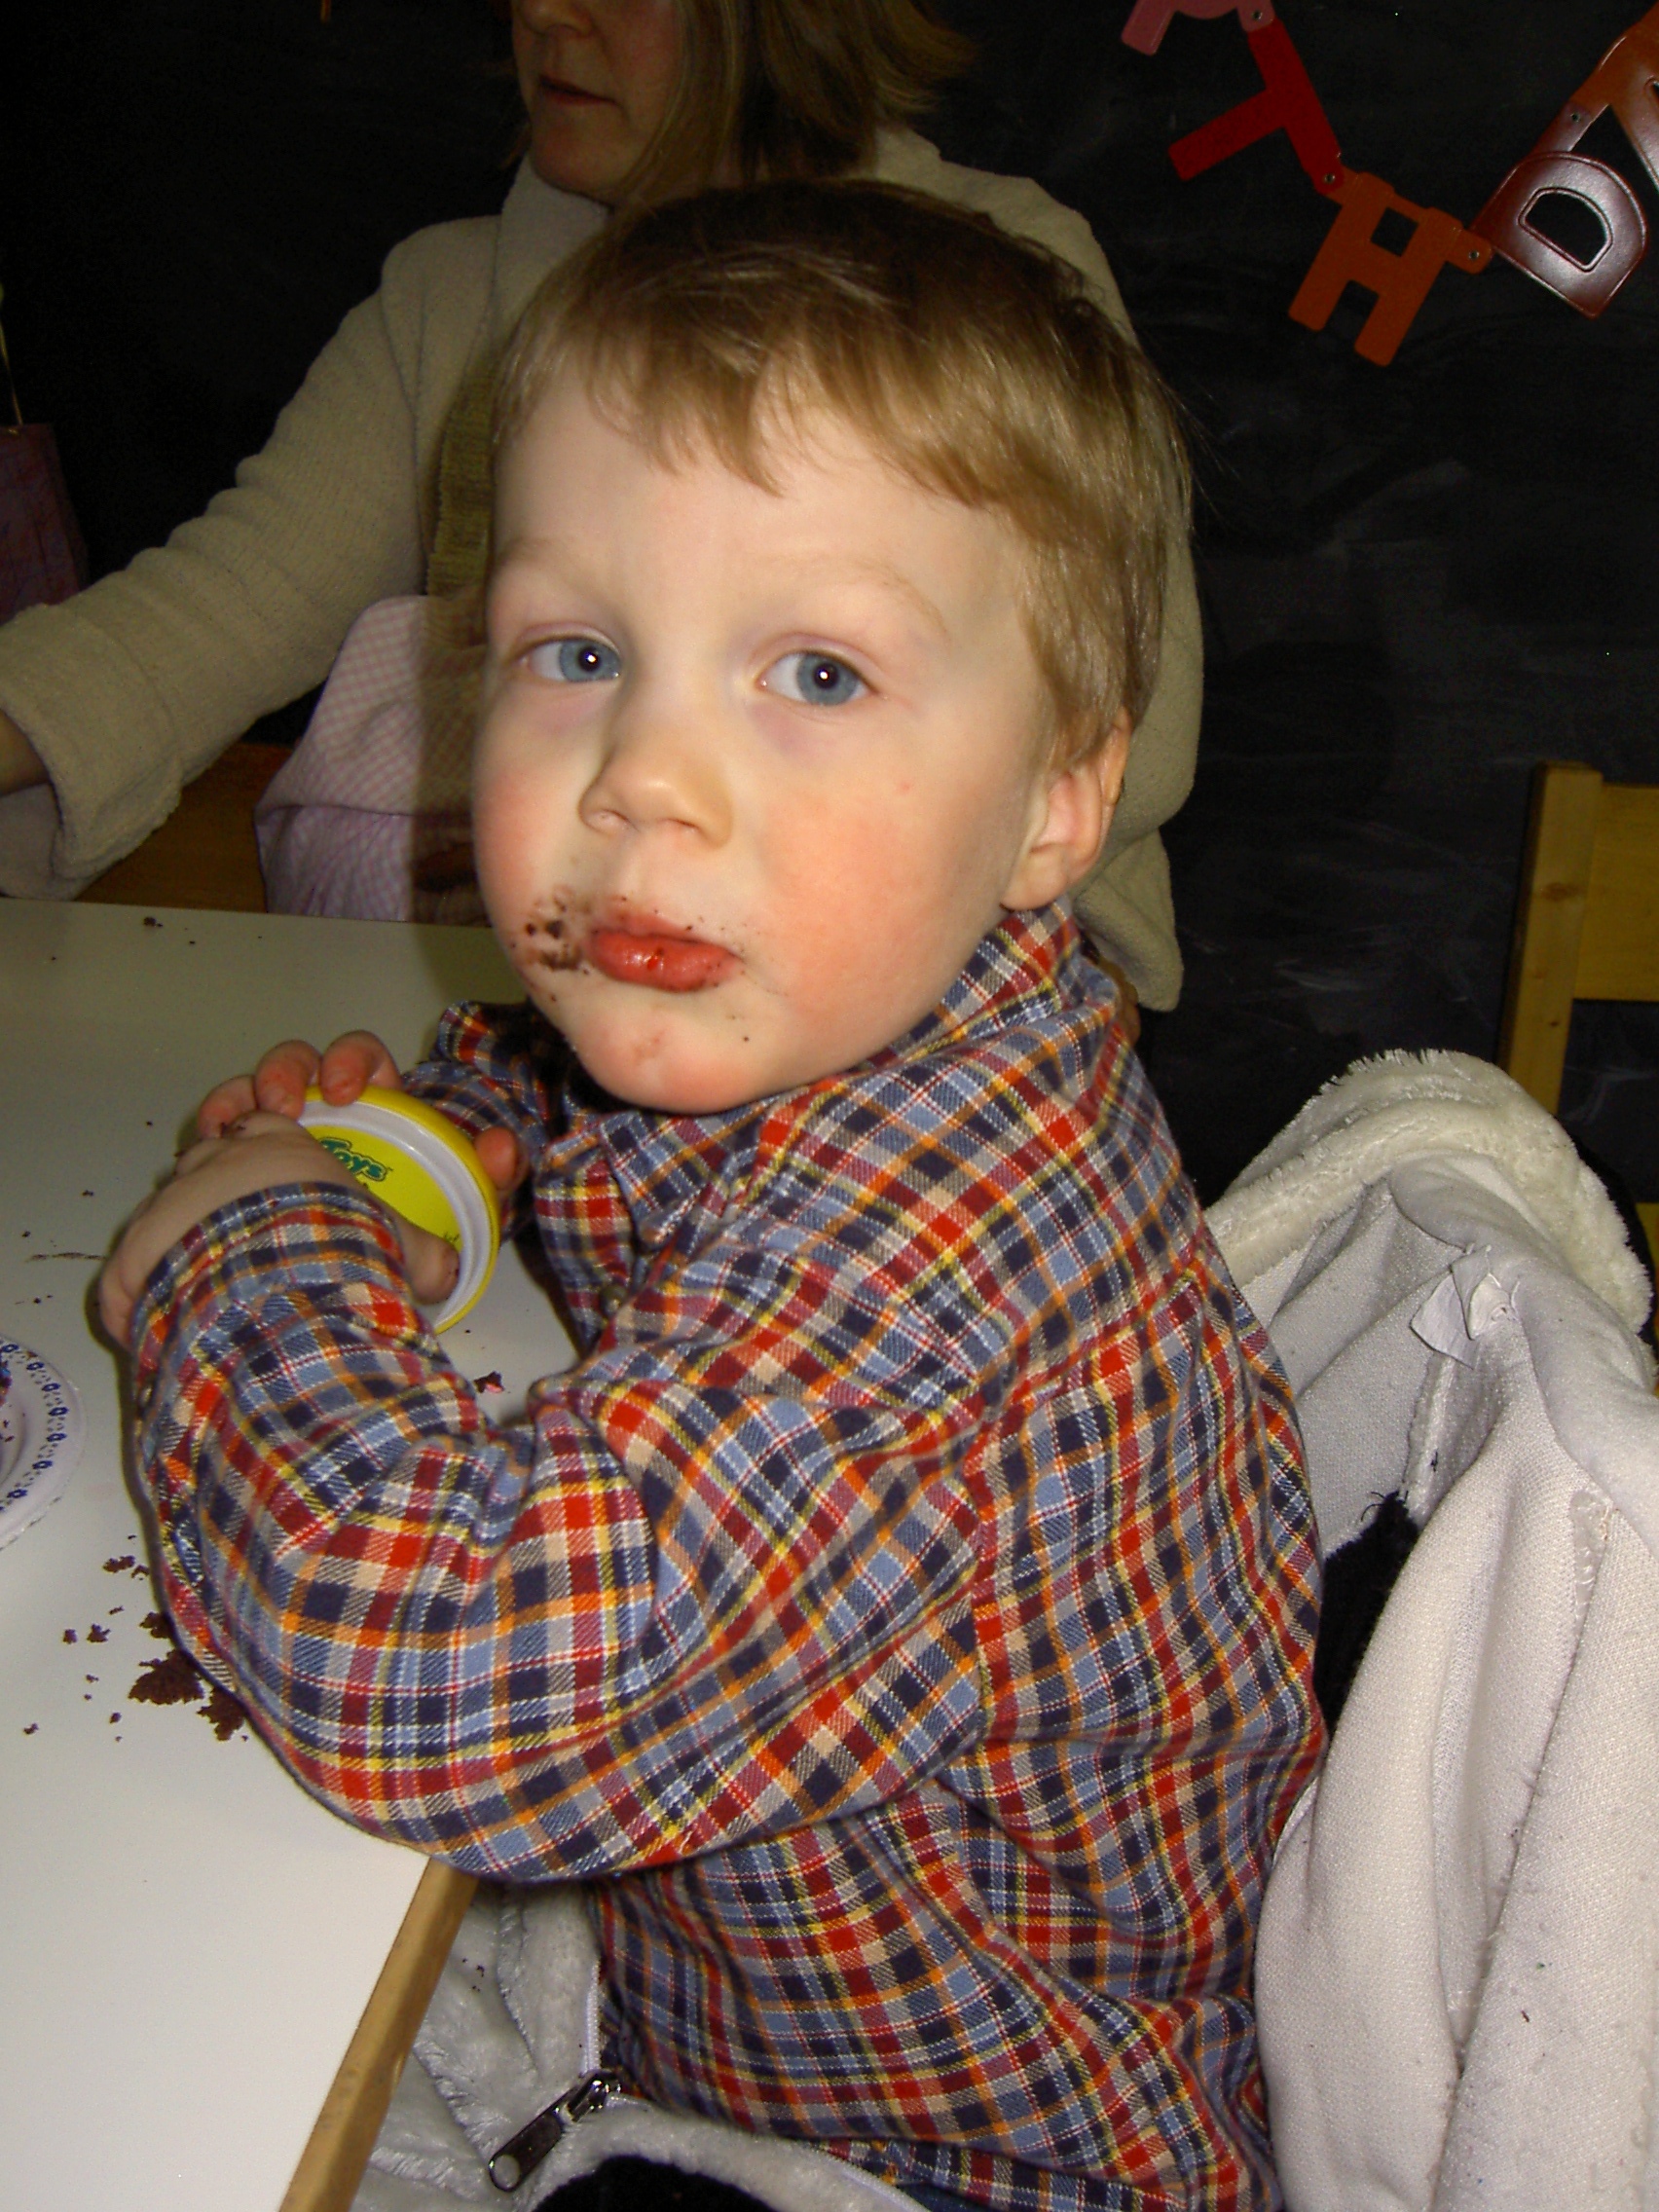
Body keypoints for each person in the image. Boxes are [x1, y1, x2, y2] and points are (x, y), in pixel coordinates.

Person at [99, 186, 1317, 2211]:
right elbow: (555, 1083)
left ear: (1054, 799)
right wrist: (417, 1167)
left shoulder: (925, 1289)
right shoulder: (842, 997)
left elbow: (441, 1669)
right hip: (747, 2018)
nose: (641, 777)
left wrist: (243, 1260)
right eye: (578, 652)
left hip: (951, 2164)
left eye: (815, 673)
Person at [0, 0, 1200, 1014]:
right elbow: (209, 619)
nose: (543, 14)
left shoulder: (999, 278)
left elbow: (1139, 742)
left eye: (822, 675)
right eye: (580, 653)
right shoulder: (452, 299)